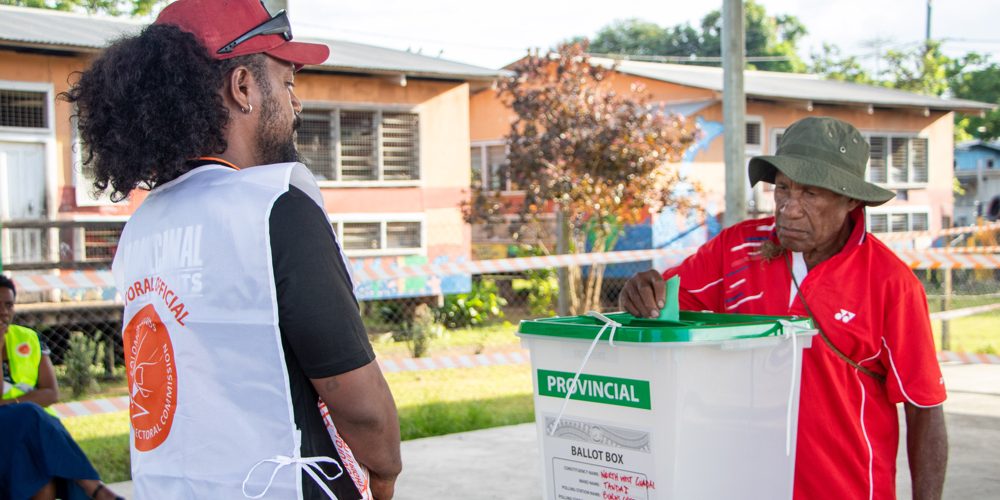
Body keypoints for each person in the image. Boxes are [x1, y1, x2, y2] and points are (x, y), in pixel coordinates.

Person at [63, 0, 401, 498]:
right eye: (286, 85)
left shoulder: (143, 224)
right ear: (243, 87)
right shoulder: (274, 206)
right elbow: (357, 399)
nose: (296, 106)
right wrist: (386, 472)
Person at [619, 116, 947, 500]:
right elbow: (662, 299)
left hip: (848, 489)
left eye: (810, 193)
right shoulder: (736, 250)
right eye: (783, 189)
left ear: (851, 199)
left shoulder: (891, 284)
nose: (789, 209)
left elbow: (924, 408)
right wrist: (640, 290)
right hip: (744, 484)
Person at [1, 276, 123, 500]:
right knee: (30, 414)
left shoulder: (28, 338)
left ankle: (93, 489)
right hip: (15, 427)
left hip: (30, 430)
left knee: (43, 483)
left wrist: (11, 405)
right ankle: (93, 488)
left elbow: (51, 393)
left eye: (8, 305)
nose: (3, 312)